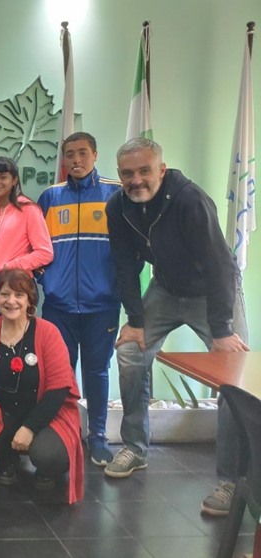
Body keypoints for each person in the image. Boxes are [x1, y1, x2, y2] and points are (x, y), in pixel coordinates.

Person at [105, 137, 249, 517]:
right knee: (131, 353)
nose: (136, 180)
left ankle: (232, 480)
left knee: (235, 378)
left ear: (161, 170)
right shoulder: (118, 206)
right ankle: (135, 447)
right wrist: (135, 322)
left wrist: (221, 330)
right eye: (127, 174)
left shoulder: (189, 200)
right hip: (165, 287)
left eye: (144, 171)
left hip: (213, 292)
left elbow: (219, 265)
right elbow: (124, 264)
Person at [0, 268, 84, 504]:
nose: (11, 301)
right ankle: (8, 459)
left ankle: (47, 470)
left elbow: (59, 388)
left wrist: (29, 428)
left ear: (30, 300)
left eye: (19, 295)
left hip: (48, 415)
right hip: (2, 413)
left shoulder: (48, 332)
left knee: (48, 455)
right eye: (5, 294)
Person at [36, 132, 122, 466]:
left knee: (97, 372)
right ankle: (64, 433)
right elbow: (38, 248)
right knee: (60, 374)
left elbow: (130, 252)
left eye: (82, 153)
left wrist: (114, 286)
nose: (76, 160)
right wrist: (47, 283)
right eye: (69, 154)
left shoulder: (115, 194)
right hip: (58, 305)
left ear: (95, 154)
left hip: (102, 305)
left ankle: (98, 437)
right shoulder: (50, 197)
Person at [0, 157, 53, 308]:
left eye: (3, 177)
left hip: (20, 287)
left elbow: (45, 253)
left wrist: (9, 266)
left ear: (14, 180)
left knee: (21, 332)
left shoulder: (29, 210)